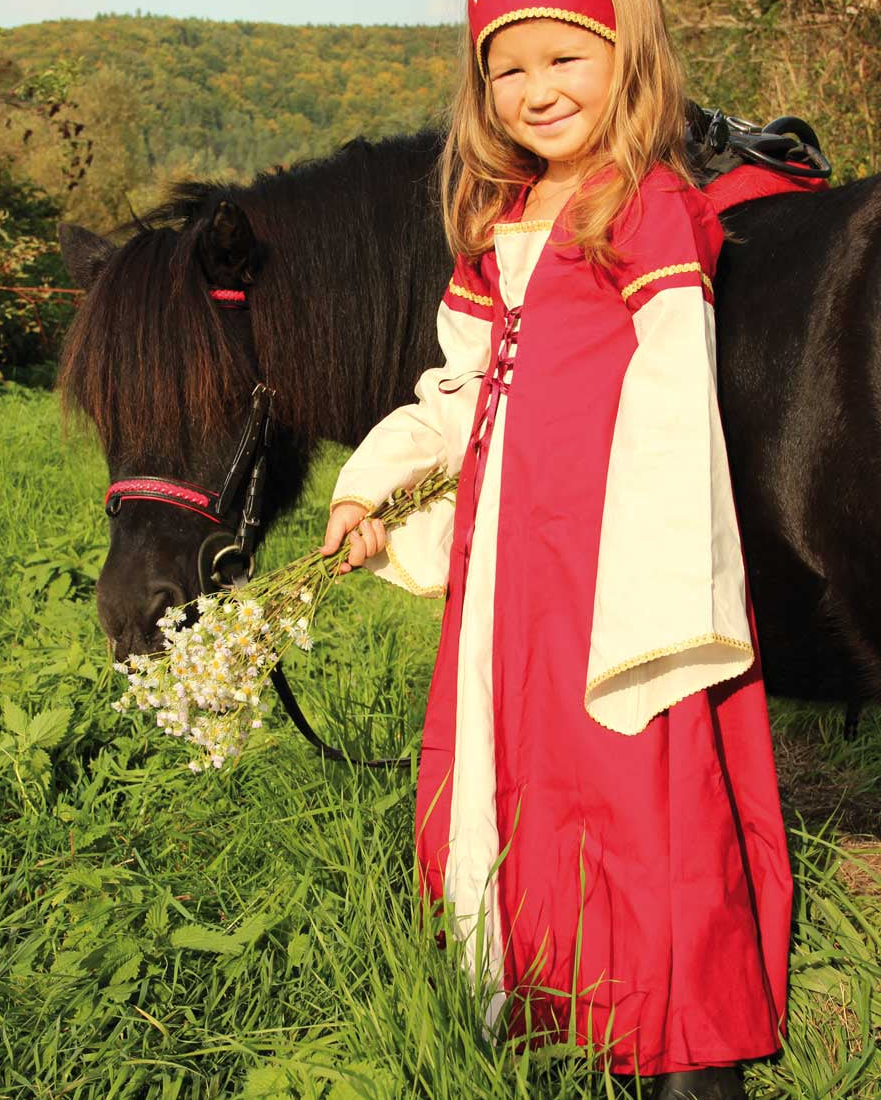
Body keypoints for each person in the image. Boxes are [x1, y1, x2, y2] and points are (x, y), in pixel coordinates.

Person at [320, 2, 792, 1097]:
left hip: (615, 543)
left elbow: (675, 384)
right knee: (518, 768)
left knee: (635, 779)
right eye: (507, 70)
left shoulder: (647, 200)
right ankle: (544, 991)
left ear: (625, 58)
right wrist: (372, 487)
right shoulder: (498, 215)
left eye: (564, 57)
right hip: (508, 559)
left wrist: (661, 572)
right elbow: (458, 388)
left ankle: (682, 1037)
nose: (536, 89)